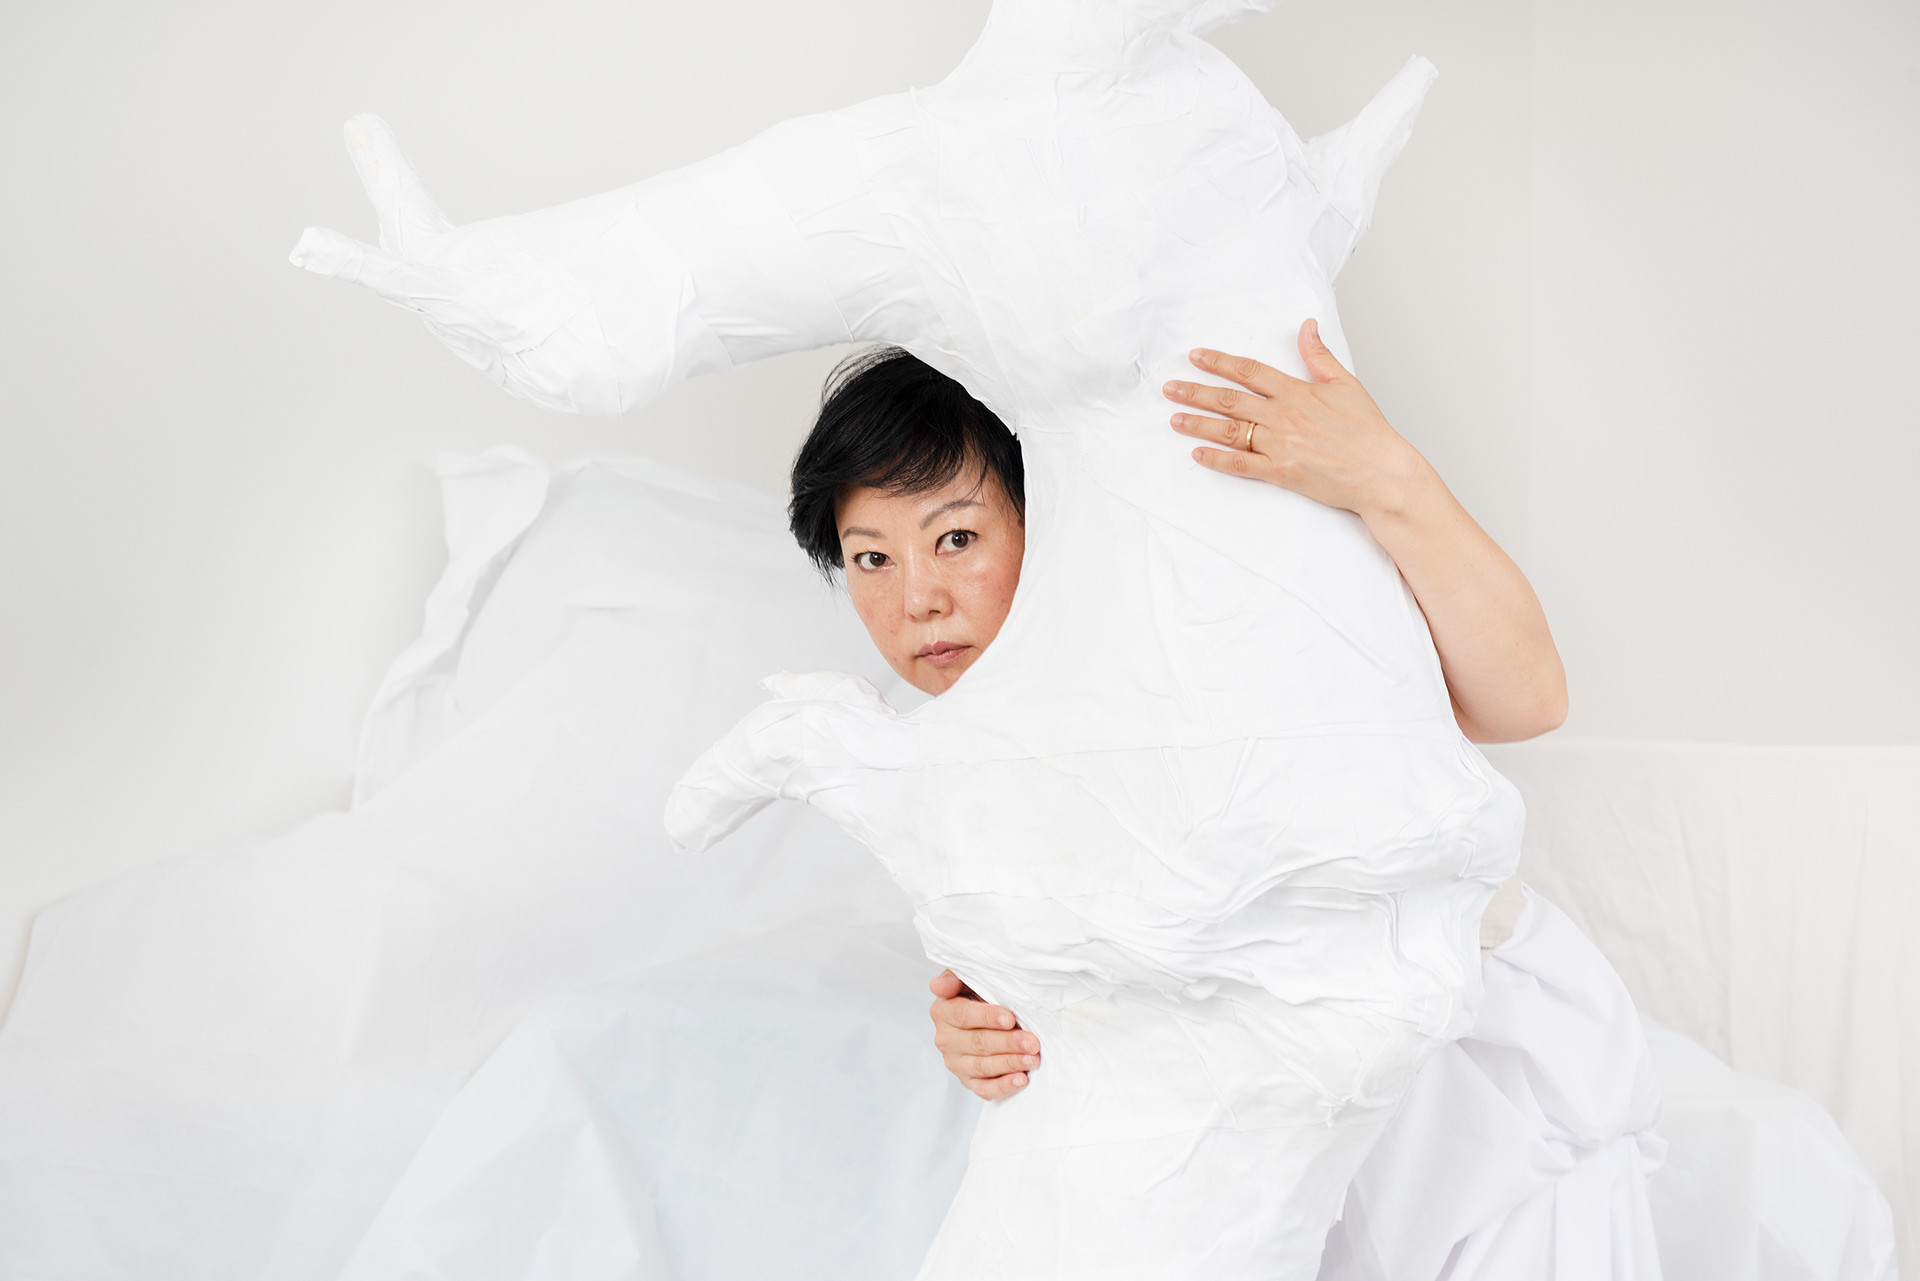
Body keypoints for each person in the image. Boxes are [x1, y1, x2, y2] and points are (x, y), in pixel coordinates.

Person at [788, 320, 1567, 1102]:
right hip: (1255, 1136)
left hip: (1462, 1076)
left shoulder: (1194, 638)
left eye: (956, 536)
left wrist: (1389, 479)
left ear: (1053, 519)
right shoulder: (951, 773)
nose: (917, 599)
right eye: (872, 558)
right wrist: (998, 1033)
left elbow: (1528, 697)